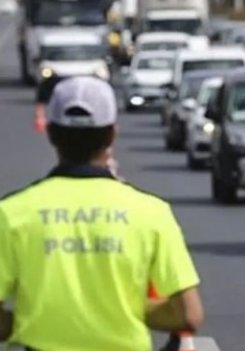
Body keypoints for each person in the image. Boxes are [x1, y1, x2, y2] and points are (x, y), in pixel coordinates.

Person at [0, 76, 204, 350]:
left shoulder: (12, 213)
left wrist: (31, 320)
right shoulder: (151, 213)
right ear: (111, 135)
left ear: (50, 133)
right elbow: (188, 314)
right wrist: (121, 307)